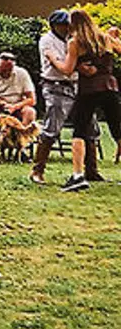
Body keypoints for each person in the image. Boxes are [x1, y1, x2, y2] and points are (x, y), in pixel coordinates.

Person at [32, 9, 102, 184]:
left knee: (89, 125)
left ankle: (92, 170)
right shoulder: (47, 41)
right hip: (56, 87)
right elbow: (62, 66)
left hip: (77, 86)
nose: (67, 28)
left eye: (68, 24)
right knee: (51, 128)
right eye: (63, 25)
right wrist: (78, 66)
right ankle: (37, 171)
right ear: (54, 26)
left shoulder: (75, 39)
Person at [60, 10, 121, 193]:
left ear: (73, 25)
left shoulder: (75, 43)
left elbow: (67, 70)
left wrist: (53, 60)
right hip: (110, 87)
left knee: (80, 131)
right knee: (118, 130)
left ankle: (78, 175)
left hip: (88, 91)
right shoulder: (105, 39)